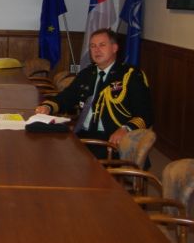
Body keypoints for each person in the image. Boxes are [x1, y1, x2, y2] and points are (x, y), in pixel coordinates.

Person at [35, 28, 153, 160]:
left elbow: (145, 114)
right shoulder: (87, 74)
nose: (97, 50)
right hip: (82, 135)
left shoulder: (130, 75)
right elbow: (67, 96)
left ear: (114, 48)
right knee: (45, 151)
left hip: (111, 141)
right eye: (93, 46)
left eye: (102, 45)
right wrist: (48, 106)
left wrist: (126, 129)